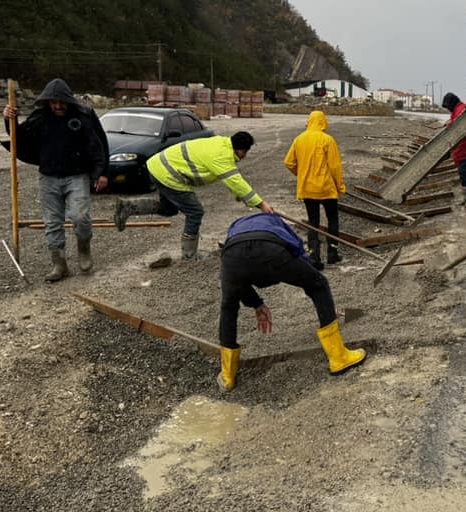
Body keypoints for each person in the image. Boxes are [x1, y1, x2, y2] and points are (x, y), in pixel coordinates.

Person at [216, 213, 366, 391]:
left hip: (232, 258)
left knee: (228, 307)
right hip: (270, 251)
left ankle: (227, 375)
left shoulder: (235, 228)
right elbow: (298, 251)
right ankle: (338, 358)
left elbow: (238, 282)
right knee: (319, 285)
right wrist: (323, 301)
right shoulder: (276, 222)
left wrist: (257, 304)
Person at [3, 78, 109, 282]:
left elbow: (99, 145)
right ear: (48, 102)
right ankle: (59, 264)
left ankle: (84, 249)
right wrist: (9, 119)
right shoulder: (40, 117)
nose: (58, 106)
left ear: (68, 100)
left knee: (81, 218)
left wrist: (102, 172)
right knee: (52, 223)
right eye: (54, 102)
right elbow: (18, 137)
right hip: (48, 177)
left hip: (77, 176)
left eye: (61, 102)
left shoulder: (83, 116)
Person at [113, 131, 273, 261]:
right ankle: (189, 255)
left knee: (169, 209)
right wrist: (261, 204)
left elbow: (232, 181)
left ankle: (128, 206)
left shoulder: (221, 143)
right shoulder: (221, 156)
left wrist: (242, 196)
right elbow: (236, 181)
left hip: (158, 166)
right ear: (240, 149)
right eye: (246, 152)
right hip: (169, 174)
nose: (246, 156)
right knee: (195, 211)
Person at [283, 110, 347, 269]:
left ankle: (314, 256)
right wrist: (340, 186)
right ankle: (332, 254)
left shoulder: (299, 139)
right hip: (326, 188)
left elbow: (289, 162)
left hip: (308, 189)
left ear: (309, 121)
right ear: (323, 122)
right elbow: (334, 167)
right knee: (332, 219)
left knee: (313, 222)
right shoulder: (327, 140)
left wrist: (302, 174)